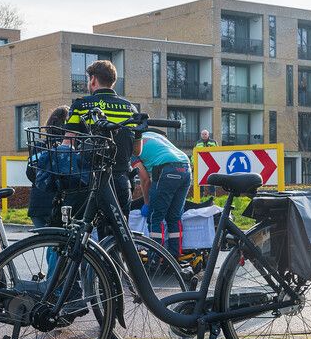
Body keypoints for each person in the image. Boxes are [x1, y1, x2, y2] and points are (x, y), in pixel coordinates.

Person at [65, 60, 140, 221]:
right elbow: (137, 150)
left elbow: (68, 143)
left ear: (93, 79)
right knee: (120, 233)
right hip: (121, 179)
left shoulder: (81, 105)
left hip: (89, 178)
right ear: (113, 81)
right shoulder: (130, 109)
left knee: (88, 232)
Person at [132, 131, 192, 258]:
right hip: (186, 168)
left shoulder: (133, 146)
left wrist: (147, 204)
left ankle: (155, 259)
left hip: (167, 169)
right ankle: (174, 257)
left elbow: (145, 179)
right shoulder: (152, 135)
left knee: (155, 217)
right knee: (174, 217)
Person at [27, 105, 70, 229]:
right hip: (60, 206)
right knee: (60, 244)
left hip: (37, 206)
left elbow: (30, 173)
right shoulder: (70, 150)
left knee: (48, 242)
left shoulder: (38, 146)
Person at [194, 129, 217, 197]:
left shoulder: (213, 142)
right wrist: (194, 163)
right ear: (201, 135)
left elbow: (218, 151)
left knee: (212, 180)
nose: (204, 135)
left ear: (208, 135)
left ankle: (213, 197)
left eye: (205, 134)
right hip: (201, 165)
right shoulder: (197, 143)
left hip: (211, 164)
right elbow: (194, 154)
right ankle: (201, 196)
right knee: (201, 180)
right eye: (202, 134)